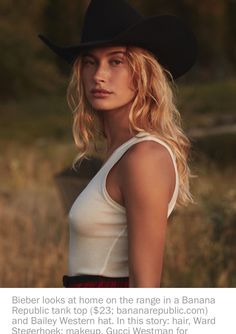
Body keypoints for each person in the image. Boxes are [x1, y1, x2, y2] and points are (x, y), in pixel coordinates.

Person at [38, 0, 197, 288]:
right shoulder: (120, 153)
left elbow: (145, 291)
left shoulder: (144, 156)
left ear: (143, 73)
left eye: (116, 61)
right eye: (90, 62)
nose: (99, 75)